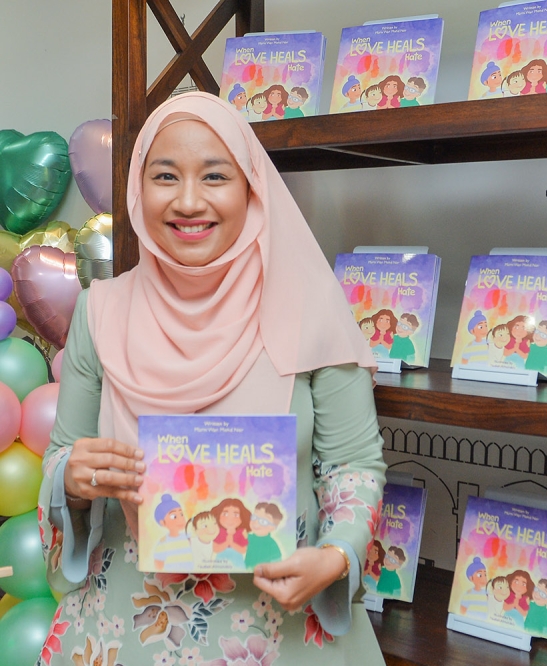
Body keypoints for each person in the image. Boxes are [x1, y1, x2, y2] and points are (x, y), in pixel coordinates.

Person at [38, 91, 387, 665]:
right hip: (124, 628)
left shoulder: (308, 308)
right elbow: (61, 457)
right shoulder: (101, 311)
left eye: (216, 176)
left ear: (251, 188)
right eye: (165, 176)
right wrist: (70, 479)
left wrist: (338, 556)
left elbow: (353, 464)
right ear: (137, 188)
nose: (189, 201)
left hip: (278, 629)